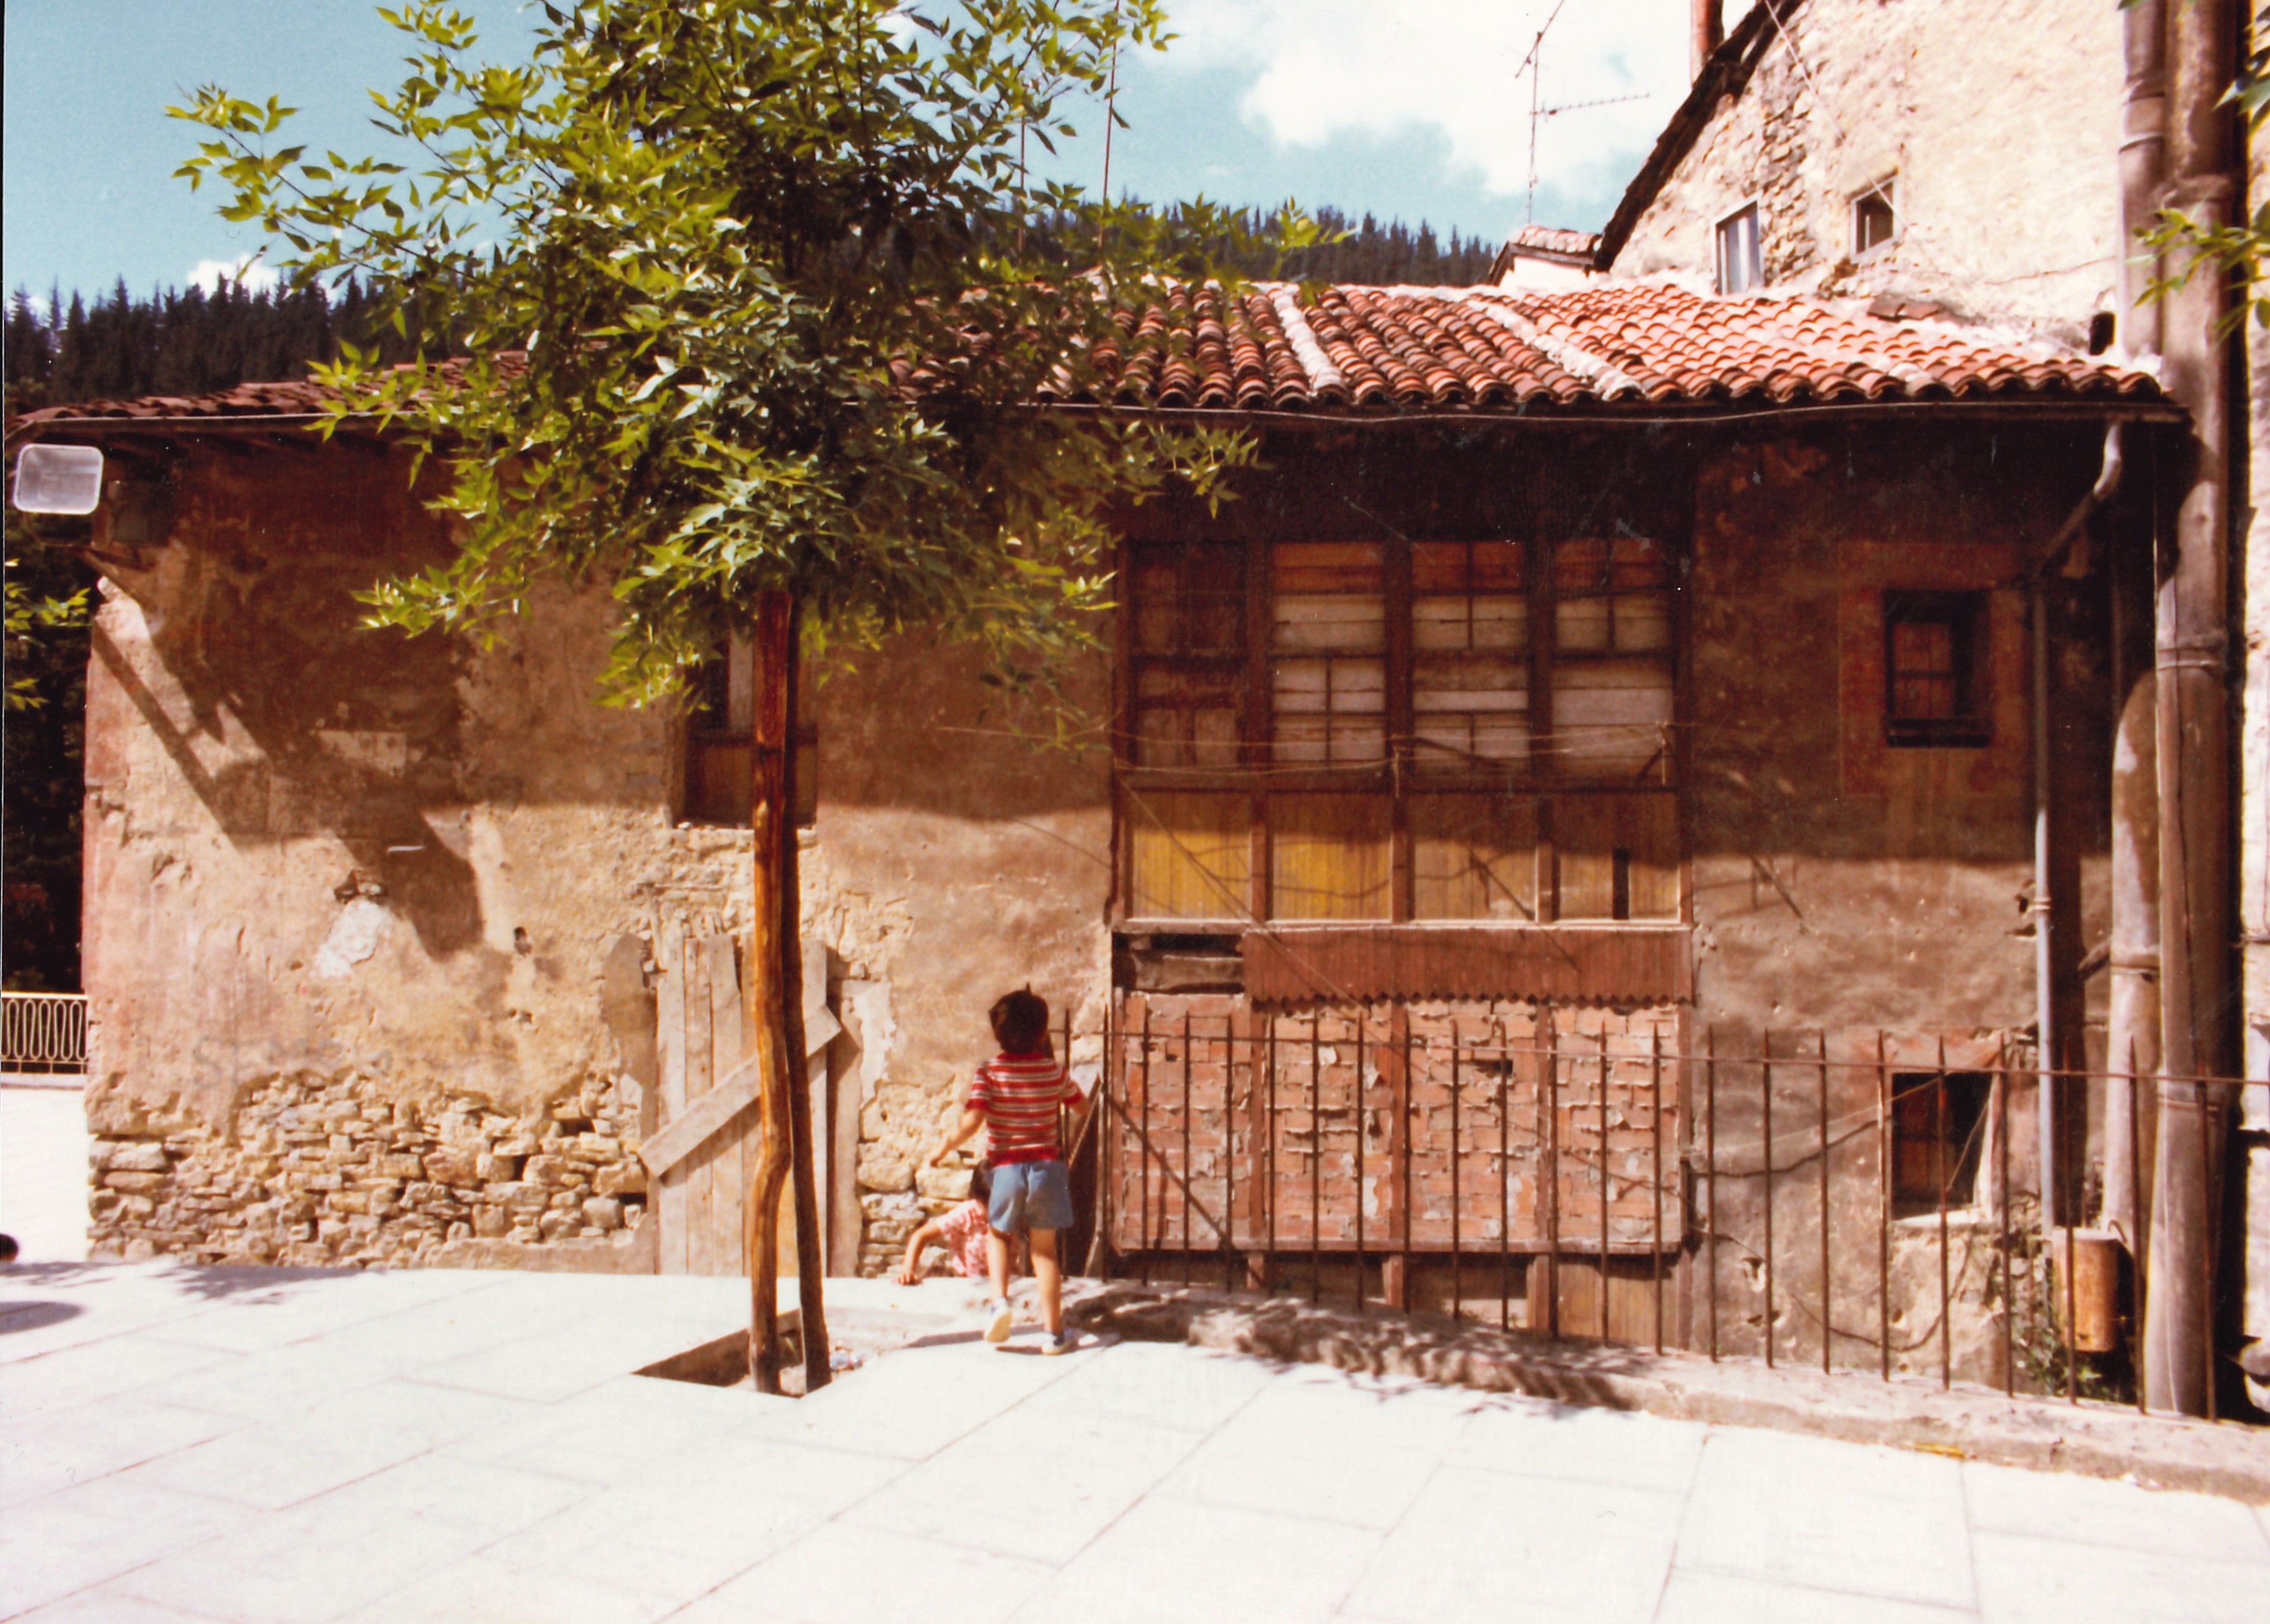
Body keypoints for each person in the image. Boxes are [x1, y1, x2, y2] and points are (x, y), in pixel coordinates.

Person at [928, 986, 1085, 1353]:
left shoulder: (990, 1072)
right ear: (1043, 1033)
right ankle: (1053, 1334)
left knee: (999, 1235)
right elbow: (1082, 1105)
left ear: (998, 1034)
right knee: (1045, 1254)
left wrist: (943, 1147)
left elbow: (971, 1122)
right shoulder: (1053, 1071)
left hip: (1007, 1169)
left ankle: (1000, 1302)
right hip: (1047, 1168)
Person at [892, 1162, 994, 1285]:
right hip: (969, 1282)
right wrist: (908, 1270)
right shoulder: (967, 1213)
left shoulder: (1014, 1212)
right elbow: (920, 1236)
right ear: (978, 1198)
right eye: (990, 1205)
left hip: (1007, 1281)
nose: (997, 1210)